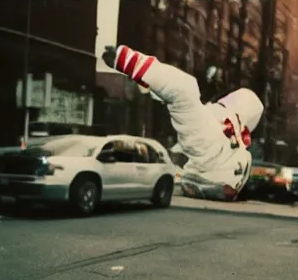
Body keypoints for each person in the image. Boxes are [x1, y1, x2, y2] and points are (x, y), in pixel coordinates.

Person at [100, 45, 264, 200]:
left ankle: (198, 179)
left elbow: (181, 91)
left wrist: (126, 60)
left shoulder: (211, 132)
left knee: (185, 90)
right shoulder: (236, 146)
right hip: (218, 175)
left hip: (207, 164)